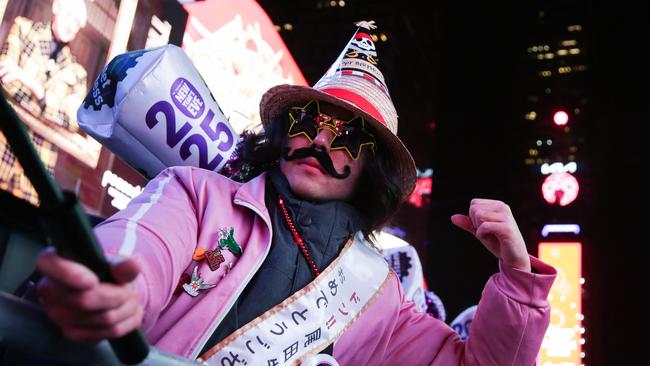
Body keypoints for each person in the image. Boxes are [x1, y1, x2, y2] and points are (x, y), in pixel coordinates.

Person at [35, 21, 556, 365]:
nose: (322, 139)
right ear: (284, 132)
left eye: (348, 134)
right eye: (308, 121)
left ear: (372, 168)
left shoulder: (379, 297)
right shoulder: (197, 196)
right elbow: (136, 247)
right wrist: (111, 288)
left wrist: (517, 281)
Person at [0, 0, 88, 205]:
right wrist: (49, 108)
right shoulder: (23, 29)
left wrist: (32, 85)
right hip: (3, 145)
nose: (71, 26)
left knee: (21, 232)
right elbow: (5, 78)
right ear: (56, 8)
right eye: (68, 16)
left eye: (77, 23)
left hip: (35, 172)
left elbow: (73, 120)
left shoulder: (78, 74)